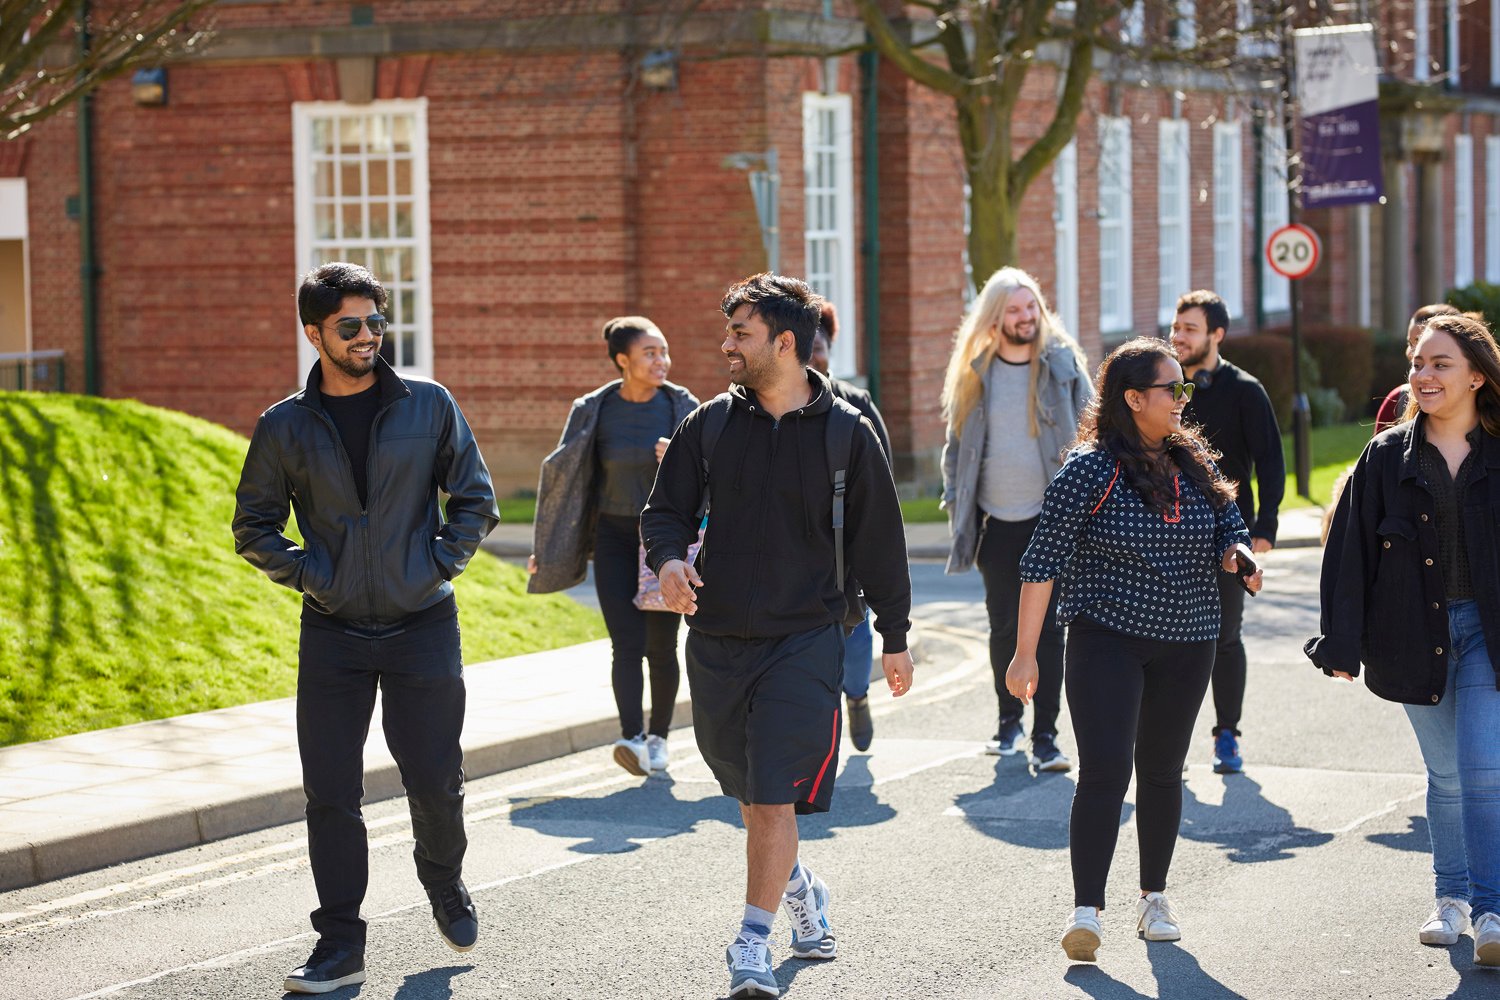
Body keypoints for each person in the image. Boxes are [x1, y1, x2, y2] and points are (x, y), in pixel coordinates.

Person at [641, 273, 915, 998]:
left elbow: (881, 543)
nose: (726, 345)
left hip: (806, 638)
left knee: (770, 796)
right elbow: (664, 512)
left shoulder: (846, 433)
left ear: (784, 343)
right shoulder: (709, 425)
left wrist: (894, 635)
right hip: (716, 639)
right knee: (748, 791)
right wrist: (668, 561)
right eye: (728, 331)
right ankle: (800, 892)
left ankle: (752, 942)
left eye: (741, 333)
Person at [233, 262, 499, 993]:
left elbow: (475, 500)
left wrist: (436, 563)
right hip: (333, 632)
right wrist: (315, 575)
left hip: (423, 624)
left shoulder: (429, 404)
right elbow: (253, 526)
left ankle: (443, 880)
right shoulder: (284, 425)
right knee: (330, 793)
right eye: (349, 325)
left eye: (376, 321)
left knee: (435, 779)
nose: (367, 336)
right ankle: (340, 942)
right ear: (313, 333)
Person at [1005, 337, 1261, 963]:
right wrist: (1025, 654)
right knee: (1106, 769)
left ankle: (1154, 898)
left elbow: (1229, 525)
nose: (1183, 398)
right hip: (1107, 639)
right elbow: (1040, 564)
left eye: (1184, 387)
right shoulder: (1090, 470)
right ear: (1134, 398)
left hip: (1189, 640)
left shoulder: (1192, 460)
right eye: (1172, 388)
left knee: (1163, 771)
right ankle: (1086, 912)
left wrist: (1238, 554)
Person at [1307, 312, 1500, 967]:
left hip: (1489, 633)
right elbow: (1350, 552)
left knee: (1482, 770)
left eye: (1440, 363)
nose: (1423, 375)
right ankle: (1451, 900)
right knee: (1445, 776)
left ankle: (1491, 909)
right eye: (1417, 363)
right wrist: (1340, 643)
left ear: (1477, 376)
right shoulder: (1387, 456)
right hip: (1414, 633)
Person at [527, 317, 699, 776]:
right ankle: (632, 738)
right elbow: (565, 479)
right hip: (613, 537)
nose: (662, 361)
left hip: (664, 541)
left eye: (664, 352)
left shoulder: (683, 406)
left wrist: (681, 460)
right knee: (625, 643)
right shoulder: (593, 409)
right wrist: (548, 545)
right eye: (650, 353)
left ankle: (659, 738)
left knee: (661, 646)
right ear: (623, 360)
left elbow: (714, 474)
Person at [940, 267, 1092, 770]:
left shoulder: (1063, 365)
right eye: (1015, 310)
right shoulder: (975, 372)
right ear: (995, 318)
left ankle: (1046, 736)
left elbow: (1093, 432)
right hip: (994, 524)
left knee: (1047, 631)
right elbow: (956, 448)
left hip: (1052, 522)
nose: (1026, 317)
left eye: (1031, 307)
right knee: (1003, 627)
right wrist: (954, 502)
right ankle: (1009, 721)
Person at [1169, 289, 1284, 774]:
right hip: (1166, 533)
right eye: (1176, 327)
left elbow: (1271, 461)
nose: (1178, 336)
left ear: (1216, 334)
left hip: (1227, 535)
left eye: (1190, 329)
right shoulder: (1163, 386)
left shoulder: (1245, 390)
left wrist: (1265, 526)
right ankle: (1165, 741)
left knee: (1225, 638)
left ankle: (1227, 734)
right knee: (1167, 639)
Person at [808, 300, 891, 752]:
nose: (812, 359)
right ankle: (822, 728)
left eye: (818, 349)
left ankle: (856, 697)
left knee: (856, 640)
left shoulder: (856, 404)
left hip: (849, 550)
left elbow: (883, 479)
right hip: (801, 550)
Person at [1375, 303, 1461, 435]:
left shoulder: (1490, 419)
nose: (1412, 353)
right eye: (1410, 343)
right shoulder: (1397, 401)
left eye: (1421, 342)